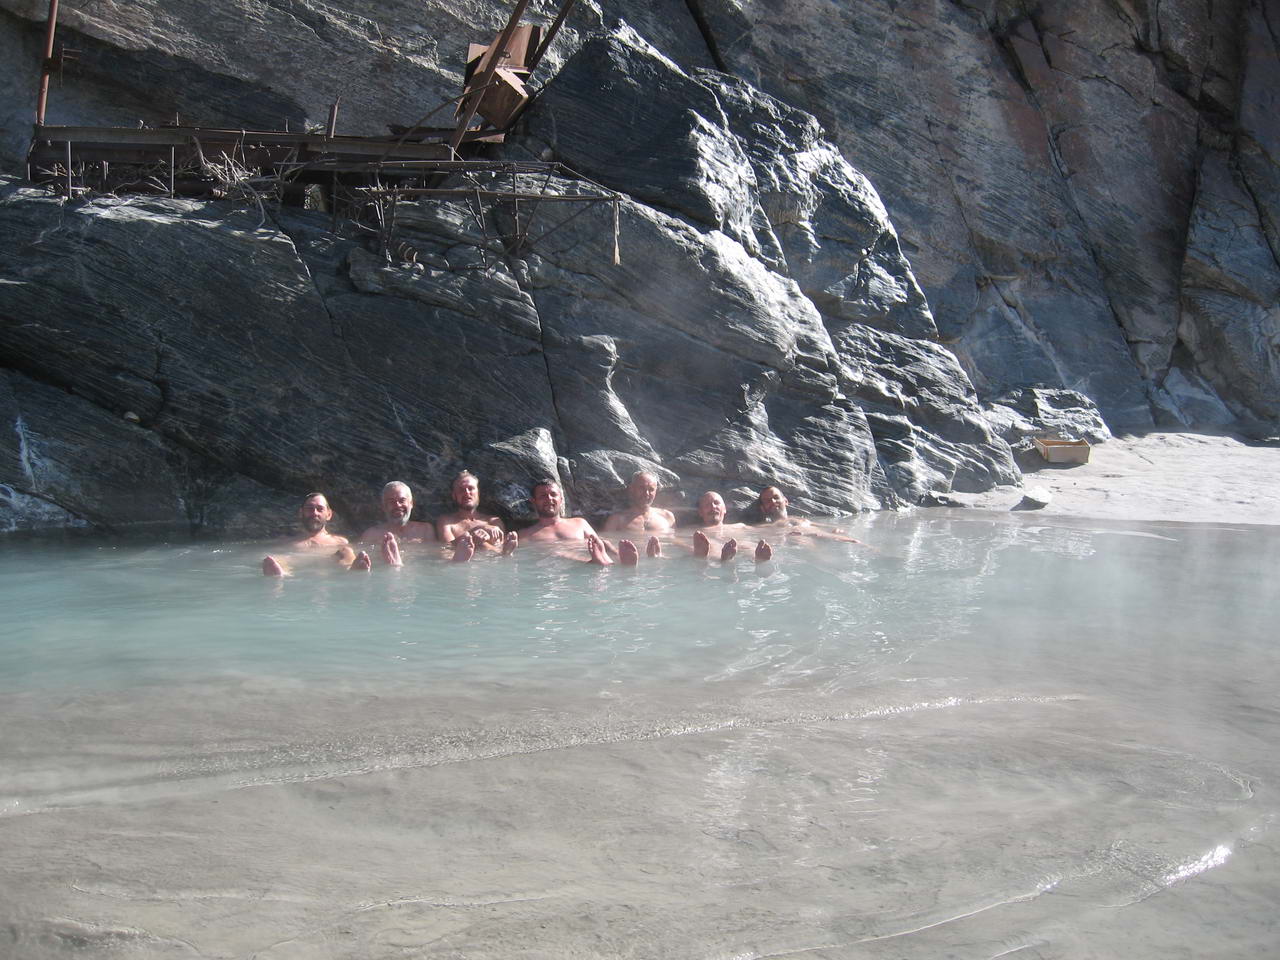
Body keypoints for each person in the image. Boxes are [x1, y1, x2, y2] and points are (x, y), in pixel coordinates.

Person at [262, 493, 349, 576]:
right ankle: (282, 574)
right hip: (295, 574)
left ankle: (350, 570)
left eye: (320, 509)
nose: (315, 513)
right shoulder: (287, 542)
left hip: (330, 573)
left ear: (329, 514)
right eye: (310, 509)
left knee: (347, 551)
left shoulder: (340, 542)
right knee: (278, 558)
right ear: (301, 513)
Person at [754, 485, 862, 544]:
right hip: (800, 545)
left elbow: (831, 527)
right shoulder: (766, 527)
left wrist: (839, 530)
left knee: (854, 541)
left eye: (776, 497)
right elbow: (746, 529)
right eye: (767, 500)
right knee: (801, 540)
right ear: (762, 508)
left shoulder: (803, 520)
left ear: (786, 501)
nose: (773, 501)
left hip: (824, 538)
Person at [690, 490, 771, 563]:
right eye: (707, 504)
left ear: (724, 509)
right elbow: (682, 543)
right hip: (709, 559)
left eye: (716, 503)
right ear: (700, 512)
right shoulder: (694, 532)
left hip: (741, 555)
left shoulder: (740, 527)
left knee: (746, 544)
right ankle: (717, 558)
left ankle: (759, 558)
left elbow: (766, 529)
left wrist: (777, 522)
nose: (713, 506)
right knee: (709, 546)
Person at [436, 471, 505, 549]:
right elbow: (446, 549)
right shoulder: (446, 522)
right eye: (461, 490)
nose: (467, 492)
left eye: (471, 488)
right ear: (454, 496)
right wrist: (475, 533)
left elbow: (500, 548)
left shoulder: (494, 521)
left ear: (478, 493)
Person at [359, 481, 437, 544]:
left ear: (411, 503)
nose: (397, 505)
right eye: (391, 501)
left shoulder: (425, 530)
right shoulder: (371, 535)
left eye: (402, 500)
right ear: (383, 506)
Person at [604, 470, 677, 534]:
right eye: (642, 488)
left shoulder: (667, 516)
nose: (646, 493)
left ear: (656, 492)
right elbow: (606, 541)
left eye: (651, 489)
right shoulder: (617, 520)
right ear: (631, 489)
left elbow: (675, 540)